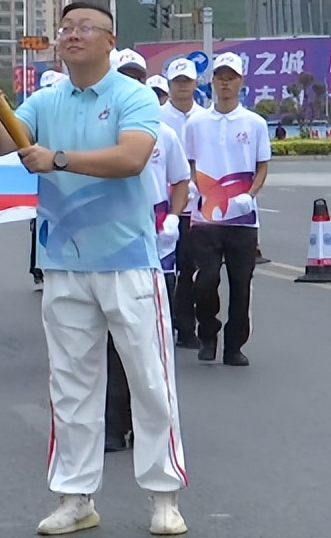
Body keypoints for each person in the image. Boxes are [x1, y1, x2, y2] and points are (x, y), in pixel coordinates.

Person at [0, 4, 187, 536]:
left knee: (151, 382)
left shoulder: (132, 95)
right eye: (65, 28)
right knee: (71, 385)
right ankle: (75, 496)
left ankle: (164, 495)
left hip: (128, 262)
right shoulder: (46, 99)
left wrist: (59, 160)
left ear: (110, 40)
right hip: (64, 264)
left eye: (84, 27)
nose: (71, 35)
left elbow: (132, 158)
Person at [106, 50, 190, 456]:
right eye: (124, 76)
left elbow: (179, 182)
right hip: (112, 249)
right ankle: (111, 425)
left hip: (158, 247)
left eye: (137, 78)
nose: (131, 84)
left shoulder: (164, 131)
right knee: (112, 343)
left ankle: (148, 427)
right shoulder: (99, 129)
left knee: (151, 343)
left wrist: (173, 219)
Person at [184, 52, 271, 367]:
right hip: (205, 216)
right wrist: (195, 187)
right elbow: (190, 163)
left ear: (241, 82)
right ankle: (208, 334)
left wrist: (250, 194)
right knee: (205, 280)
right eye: (220, 77)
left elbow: (262, 167)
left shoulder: (255, 123)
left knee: (240, 285)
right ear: (212, 82)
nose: (225, 83)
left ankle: (234, 346)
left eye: (231, 77)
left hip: (243, 219)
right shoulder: (197, 123)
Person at [159, 58, 204, 350]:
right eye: (177, 82)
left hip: (199, 208)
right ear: (169, 85)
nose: (183, 87)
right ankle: (165, 323)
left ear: (195, 84)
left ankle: (187, 327)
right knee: (163, 270)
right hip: (164, 206)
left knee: (189, 268)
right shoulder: (156, 117)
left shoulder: (206, 117)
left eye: (187, 81)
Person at [30, 69, 71, 288]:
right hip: (48, 190)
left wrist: (58, 160)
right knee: (42, 229)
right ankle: (39, 268)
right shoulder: (39, 110)